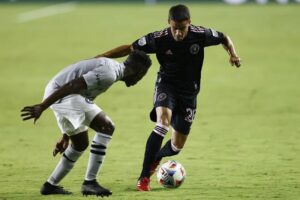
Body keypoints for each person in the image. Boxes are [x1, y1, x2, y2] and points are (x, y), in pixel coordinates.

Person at [95, 4, 241, 191]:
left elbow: (224, 38)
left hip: (189, 93)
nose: (179, 33)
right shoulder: (158, 39)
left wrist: (233, 54)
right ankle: (144, 177)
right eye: (175, 28)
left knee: (177, 146)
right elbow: (130, 48)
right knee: (162, 123)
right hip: (166, 86)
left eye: (182, 28)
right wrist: (102, 56)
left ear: (189, 23)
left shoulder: (200, 34)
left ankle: (157, 158)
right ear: (168, 23)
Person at [21, 50, 152, 196]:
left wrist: (65, 136)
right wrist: (42, 106)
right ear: (139, 72)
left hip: (60, 92)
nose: (139, 80)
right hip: (62, 92)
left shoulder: (111, 70)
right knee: (107, 127)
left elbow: (83, 95)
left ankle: (50, 185)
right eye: (143, 76)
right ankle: (90, 183)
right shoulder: (109, 74)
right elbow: (73, 85)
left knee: (80, 144)